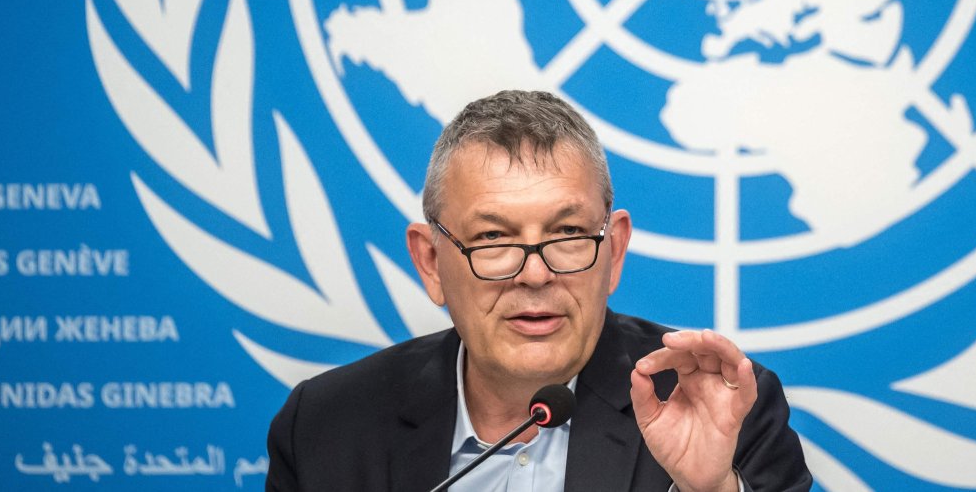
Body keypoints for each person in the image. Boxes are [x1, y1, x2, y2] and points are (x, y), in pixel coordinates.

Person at [266, 90, 812, 492]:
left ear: (614, 250)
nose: (534, 274)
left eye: (569, 234)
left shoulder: (721, 410)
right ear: (430, 262)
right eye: (493, 238)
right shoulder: (325, 426)